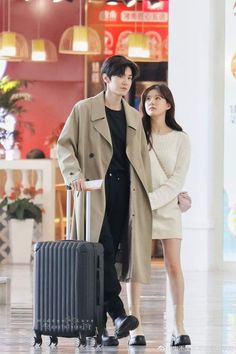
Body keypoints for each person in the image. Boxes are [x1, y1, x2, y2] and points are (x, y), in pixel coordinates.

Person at [57, 55, 152, 347]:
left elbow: (143, 161)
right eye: (120, 76)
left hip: (127, 192)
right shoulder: (84, 109)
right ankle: (119, 313)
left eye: (129, 77)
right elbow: (65, 145)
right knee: (102, 249)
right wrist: (74, 175)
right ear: (106, 78)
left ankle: (100, 330)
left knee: (105, 258)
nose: (125, 82)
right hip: (95, 190)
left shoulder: (134, 116)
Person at [126, 84, 191, 347]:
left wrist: (150, 202)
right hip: (139, 209)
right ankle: (135, 326)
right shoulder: (136, 136)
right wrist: (141, 204)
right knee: (136, 269)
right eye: (148, 98)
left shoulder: (181, 138)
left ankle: (179, 325)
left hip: (165, 208)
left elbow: (177, 180)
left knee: (173, 266)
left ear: (168, 105)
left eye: (158, 98)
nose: (152, 102)